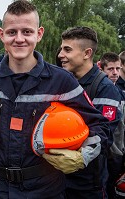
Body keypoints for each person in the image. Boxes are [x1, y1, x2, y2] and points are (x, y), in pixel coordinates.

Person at [0, 1, 110, 198]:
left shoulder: (61, 81)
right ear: (1, 35)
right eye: (12, 32)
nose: (19, 39)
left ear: (39, 34)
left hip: (45, 189)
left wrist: (84, 155)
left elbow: (100, 126)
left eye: (27, 31)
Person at [58, 27, 122, 199]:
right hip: (57, 179)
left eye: (67, 50)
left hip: (87, 185)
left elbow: (104, 135)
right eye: (62, 48)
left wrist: (78, 156)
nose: (60, 55)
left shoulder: (105, 90)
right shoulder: (63, 83)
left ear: (87, 53)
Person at [99, 52, 125, 198]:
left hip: (118, 152)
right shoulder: (101, 89)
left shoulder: (120, 93)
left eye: (118, 68)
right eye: (110, 69)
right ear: (102, 68)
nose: (115, 73)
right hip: (106, 152)